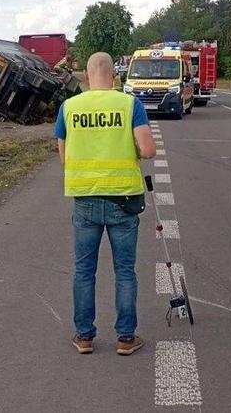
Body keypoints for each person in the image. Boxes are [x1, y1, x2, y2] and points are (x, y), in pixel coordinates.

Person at [54, 52, 156, 356]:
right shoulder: (129, 104)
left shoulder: (69, 107)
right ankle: (126, 338)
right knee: (125, 271)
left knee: (84, 271)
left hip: (85, 200)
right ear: (115, 76)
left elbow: (63, 157)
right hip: (123, 201)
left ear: (86, 76)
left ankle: (84, 337)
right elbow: (148, 150)